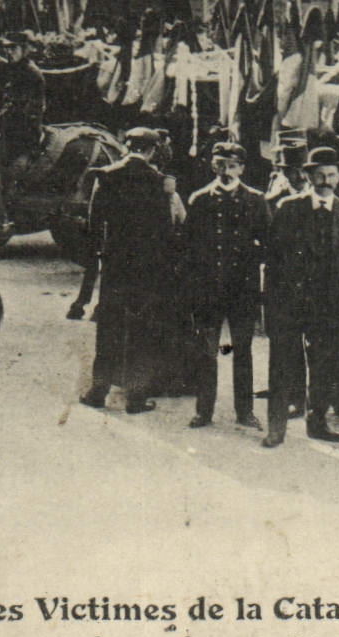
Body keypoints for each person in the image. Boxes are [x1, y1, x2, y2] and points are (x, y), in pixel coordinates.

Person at [261, 147, 339, 447]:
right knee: (282, 366)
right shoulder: (289, 208)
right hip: (289, 304)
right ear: (308, 176)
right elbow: (273, 258)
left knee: (324, 367)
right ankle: (275, 428)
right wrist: (273, 306)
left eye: (331, 175)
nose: (325, 180)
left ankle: (317, 423)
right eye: (319, 175)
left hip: (326, 308)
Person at [81, 127, 173, 415]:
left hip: (114, 265)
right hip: (146, 268)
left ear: (126, 146)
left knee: (108, 327)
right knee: (141, 329)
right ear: (152, 150)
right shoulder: (158, 181)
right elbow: (166, 230)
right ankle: (136, 397)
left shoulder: (105, 176)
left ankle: (98, 391)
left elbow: (93, 225)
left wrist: (99, 256)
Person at [183, 142, 270, 430]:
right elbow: (187, 246)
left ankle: (244, 412)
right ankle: (203, 411)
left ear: (242, 169)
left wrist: (251, 255)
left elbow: (270, 245)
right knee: (207, 352)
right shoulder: (199, 200)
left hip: (242, 290)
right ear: (213, 166)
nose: (226, 172)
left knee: (241, 351)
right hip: (208, 289)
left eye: (232, 166)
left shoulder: (256, 200)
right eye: (220, 165)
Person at [0, 32, 46, 180]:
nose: (9, 52)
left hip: (25, 131)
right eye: (7, 49)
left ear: (24, 50)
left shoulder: (31, 73)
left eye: (13, 48)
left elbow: (22, 108)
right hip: (11, 126)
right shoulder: (14, 69)